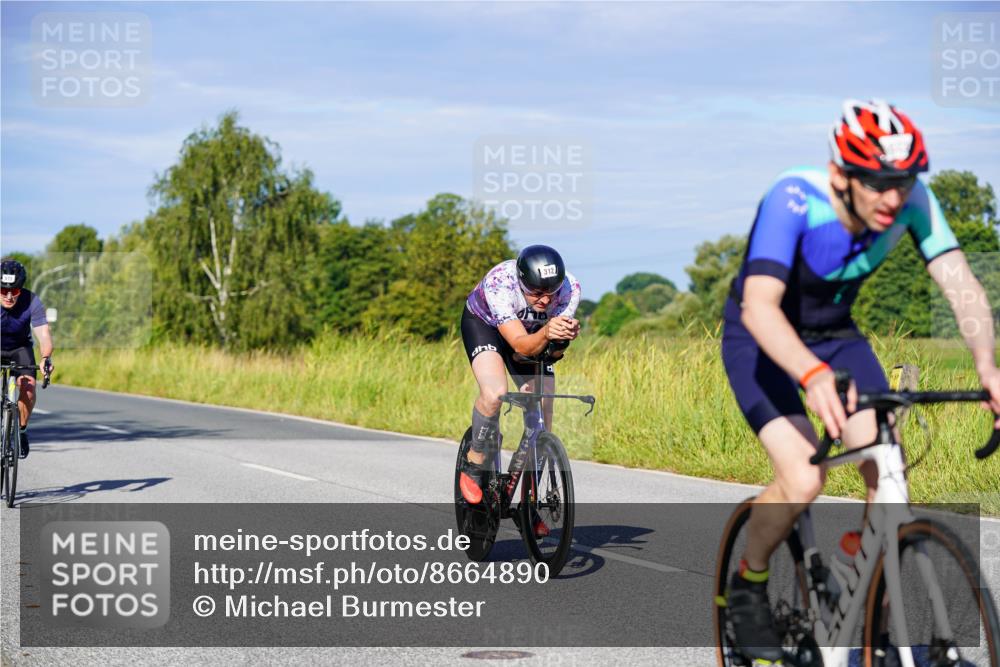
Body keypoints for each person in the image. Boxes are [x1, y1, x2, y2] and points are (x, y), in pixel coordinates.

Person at [721, 99, 1000, 662]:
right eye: (877, 183)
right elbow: (760, 306)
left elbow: (960, 284)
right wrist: (811, 373)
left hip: (835, 336)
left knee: (888, 468)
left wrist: (987, 367)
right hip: (760, 335)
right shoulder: (793, 199)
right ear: (840, 175)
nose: (893, 197)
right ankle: (749, 584)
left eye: (903, 181)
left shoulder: (913, 202)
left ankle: (868, 599)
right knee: (804, 478)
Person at [458, 244, 581, 505]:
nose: (545, 300)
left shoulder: (570, 289)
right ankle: (475, 460)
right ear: (522, 282)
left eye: (551, 292)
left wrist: (562, 341)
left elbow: (551, 352)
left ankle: (531, 490)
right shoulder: (501, 283)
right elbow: (520, 346)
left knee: (544, 402)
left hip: (533, 333)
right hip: (486, 327)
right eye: (537, 293)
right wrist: (547, 332)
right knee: (495, 393)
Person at [1, 258, 54, 458]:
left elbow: (44, 335)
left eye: (14, 291)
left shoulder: (31, 301)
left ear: (20, 289)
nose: (8, 296)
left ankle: (21, 431)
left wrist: (45, 357)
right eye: (3, 290)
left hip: (20, 348)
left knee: (29, 390)